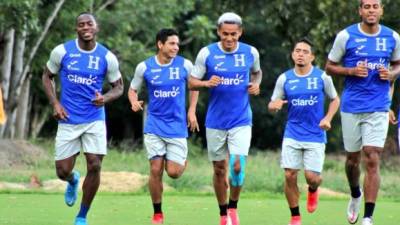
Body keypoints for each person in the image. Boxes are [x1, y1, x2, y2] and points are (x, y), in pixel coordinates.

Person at [42, 13, 123, 225]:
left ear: (96, 28)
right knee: (62, 171)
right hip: (68, 119)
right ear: (76, 29)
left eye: (89, 24)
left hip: (94, 119)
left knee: (95, 165)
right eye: (81, 25)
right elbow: (47, 75)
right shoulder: (62, 51)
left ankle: (82, 216)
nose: (85, 27)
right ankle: (72, 180)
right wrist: (55, 103)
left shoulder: (107, 57)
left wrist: (104, 98)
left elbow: (119, 87)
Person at [325, 1, 400, 224]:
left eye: (375, 6)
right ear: (360, 10)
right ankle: (355, 193)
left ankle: (368, 217)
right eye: (366, 6)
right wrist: (350, 70)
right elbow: (329, 67)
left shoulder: (392, 37)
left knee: (372, 157)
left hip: (378, 106)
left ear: (381, 10)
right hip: (352, 106)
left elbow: (398, 64)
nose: (371, 10)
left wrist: (393, 74)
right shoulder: (346, 36)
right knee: (352, 160)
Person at [188, 12, 262, 225]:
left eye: (233, 34)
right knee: (219, 169)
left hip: (241, 119)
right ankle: (223, 214)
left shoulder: (250, 52)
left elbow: (257, 73)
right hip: (215, 121)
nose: (229, 39)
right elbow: (192, 82)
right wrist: (206, 83)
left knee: (237, 165)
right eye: (225, 34)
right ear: (219, 32)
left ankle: (233, 207)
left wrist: (256, 84)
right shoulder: (207, 53)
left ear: (240, 33)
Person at [128, 28, 199, 224]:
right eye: (172, 43)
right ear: (160, 44)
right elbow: (132, 89)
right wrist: (133, 102)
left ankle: (180, 160)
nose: (176, 47)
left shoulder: (185, 65)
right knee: (155, 169)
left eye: (177, 44)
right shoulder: (144, 67)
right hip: (154, 125)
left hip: (177, 126)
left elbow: (194, 87)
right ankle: (157, 213)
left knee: (174, 173)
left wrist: (192, 110)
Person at [269, 38, 340, 225]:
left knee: (312, 177)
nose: (301, 54)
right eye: (297, 50)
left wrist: (327, 119)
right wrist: (273, 106)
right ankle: (295, 217)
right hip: (292, 133)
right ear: (293, 54)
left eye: (305, 51)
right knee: (289, 175)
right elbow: (272, 103)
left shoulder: (322, 77)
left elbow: (335, 99)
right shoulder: (284, 78)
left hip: (315, 134)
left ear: (312, 56)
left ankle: (313, 189)